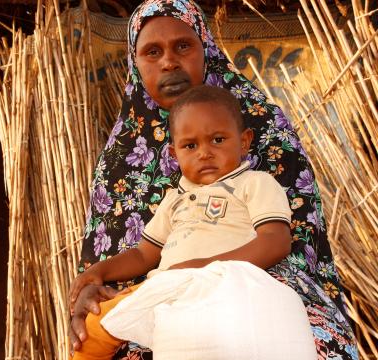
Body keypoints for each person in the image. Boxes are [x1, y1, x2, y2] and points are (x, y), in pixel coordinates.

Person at [70, 1, 358, 359]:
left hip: (261, 282)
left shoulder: (264, 129)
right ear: (136, 62)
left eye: (183, 46)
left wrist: (209, 275)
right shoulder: (120, 159)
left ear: (204, 48)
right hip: (161, 296)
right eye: (152, 52)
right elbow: (140, 254)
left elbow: (286, 246)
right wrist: (94, 281)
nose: (169, 62)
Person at [69, 85, 318, 359]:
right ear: (175, 155)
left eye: (218, 140)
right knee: (92, 330)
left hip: (226, 283)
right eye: (190, 145)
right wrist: (100, 271)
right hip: (166, 287)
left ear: (244, 141)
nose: (204, 153)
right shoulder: (174, 199)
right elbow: (143, 254)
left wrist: (206, 266)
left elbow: (275, 241)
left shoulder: (255, 183)